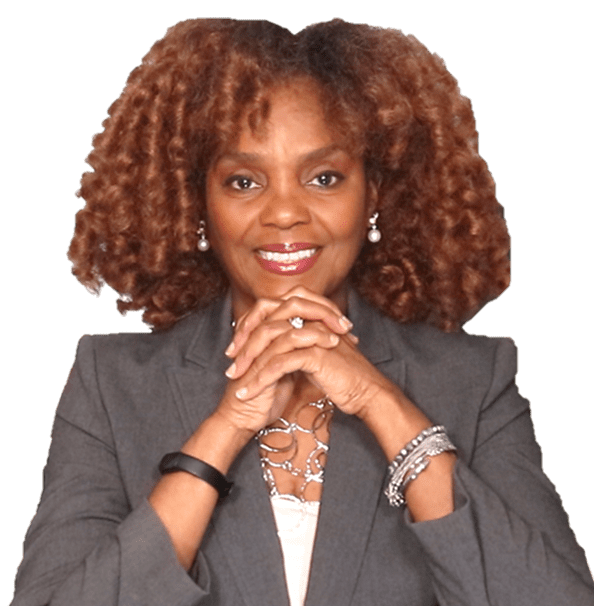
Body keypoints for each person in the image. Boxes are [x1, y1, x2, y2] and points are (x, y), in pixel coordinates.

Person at [10, 17, 594, 606]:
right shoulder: (112, 387)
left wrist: (382, 404)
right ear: (197, 203)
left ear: (373, 194)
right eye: (243, 181)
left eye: (323, 177)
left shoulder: (474, 380)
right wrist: (223, 431)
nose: (284, 212)